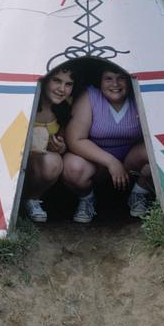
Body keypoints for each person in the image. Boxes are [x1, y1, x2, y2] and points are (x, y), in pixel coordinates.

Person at [63, 64, 153, 223]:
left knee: (157, 151)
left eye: (121, 78)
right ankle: (87, 199)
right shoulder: (90, 96)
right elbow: (74, 140)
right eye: (108, 78)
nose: (115, 84)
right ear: (100, 80)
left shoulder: (139, 95)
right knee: (72, 167)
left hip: (131, 163)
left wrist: (149, 119)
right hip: (97, 164)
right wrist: (111, 162)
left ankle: (139, 193)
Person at [24, 65, 76, 223]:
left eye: (68, 84)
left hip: (41, 165)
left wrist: (60, 146)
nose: (62, 89)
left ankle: (31, 199)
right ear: (44, 79)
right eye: (57, 81)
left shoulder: (66, 107)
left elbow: (63, 139)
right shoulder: (28, 100)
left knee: (54, 162)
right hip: (20, 159)